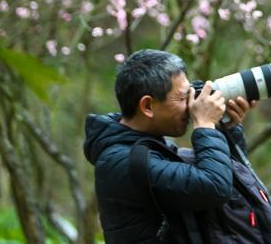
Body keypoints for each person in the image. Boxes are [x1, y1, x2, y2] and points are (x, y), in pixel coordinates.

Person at [84, 49, 258, 243]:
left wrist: (227, 128)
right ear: (147, 106)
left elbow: (229, 178)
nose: (191, 104)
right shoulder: (123, 161)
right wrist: (205, 125)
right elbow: (214, 187)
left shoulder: (149, 146)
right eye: (182, 98)